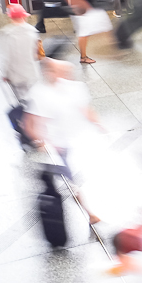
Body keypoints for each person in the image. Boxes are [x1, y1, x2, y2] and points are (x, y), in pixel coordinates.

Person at [24, 58, 103, 225]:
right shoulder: (39, 93)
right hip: (60, 146)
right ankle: (90, 213)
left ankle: (92, 209)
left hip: (81, 140)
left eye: (66, 72)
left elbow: (86, 109)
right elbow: (30, 123)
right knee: (72, 182)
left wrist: (98, 124)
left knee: (82, 176)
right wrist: (41, 142)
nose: (66, 75)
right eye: (60, 72)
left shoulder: (75, 88)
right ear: (48, 73)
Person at [68, 0, 113, 64]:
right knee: (84, 33)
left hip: (89, 8)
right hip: (83, 10)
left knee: (104, 26)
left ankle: (115, 46)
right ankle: (83, 57)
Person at [0, 4, 40, 99]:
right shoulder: (33, 32)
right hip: (32, 73)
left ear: (11, 18)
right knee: (33, 98)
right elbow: (38, 53)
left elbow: (8, 58)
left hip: (16, 75)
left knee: (22, 100)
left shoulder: (8, 34)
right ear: (24, 16)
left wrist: (5, 74)